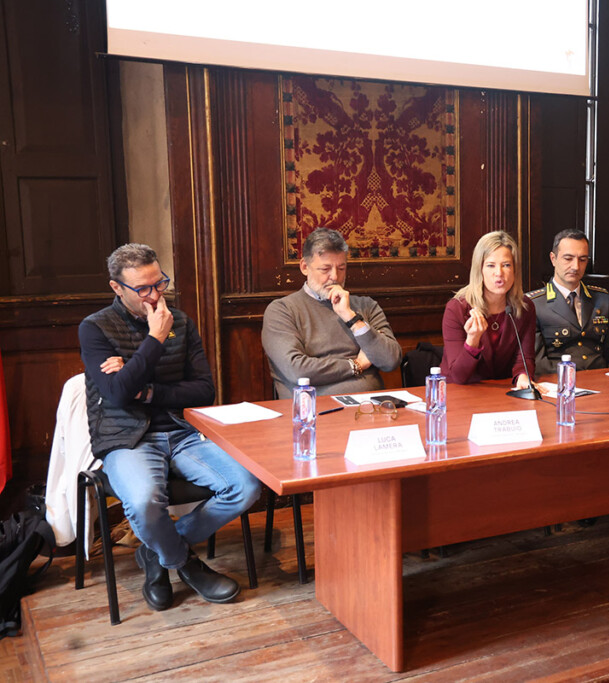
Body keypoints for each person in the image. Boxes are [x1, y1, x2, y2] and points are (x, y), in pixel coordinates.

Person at [79, 243, 261, 611]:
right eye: (142, 288)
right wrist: (154, 339)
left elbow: (204, 389)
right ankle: (186, 564)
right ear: (117, 288)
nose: (155, 295)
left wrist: (144, 389)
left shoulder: (181, 320)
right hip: (126, 438)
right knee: (146, 504)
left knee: (247, 485)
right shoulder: (95, 328)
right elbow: (115, 395)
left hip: (180, 431)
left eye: (159, 283)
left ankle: (157, 552)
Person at [262, 228, 402, 397]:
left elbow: (390, 360)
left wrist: (351, 318)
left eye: (341, 268)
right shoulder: (282, 310)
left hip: (372, 408)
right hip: (314, 413)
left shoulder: (366, 306)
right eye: (325, 269)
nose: (335, 277)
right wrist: (356, 365)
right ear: (305, 267)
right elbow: (298, 371)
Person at [441, 230, 536, 386]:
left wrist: (523, 377)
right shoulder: (457, 308)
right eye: (491, 265)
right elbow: (458, 377)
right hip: (459, 393)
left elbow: (524, 359)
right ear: (480, 270)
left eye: (506, 265)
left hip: (501, 393)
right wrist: (472, 340)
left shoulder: (525, 307)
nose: (499, 273)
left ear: (515, 270)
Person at [528, 229, 609, 375]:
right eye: (568, 259)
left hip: (601, 382)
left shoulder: (602, 299)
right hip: (557, 384)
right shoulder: (534, 304)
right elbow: (538, 363)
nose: (576, 266)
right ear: (553, 259)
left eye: (582, 259)